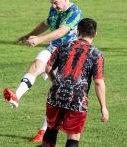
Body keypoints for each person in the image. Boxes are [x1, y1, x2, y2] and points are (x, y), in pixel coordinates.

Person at [3, 0, 83, 142]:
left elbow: (61, 32)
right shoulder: (54, 9)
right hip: (53, 49)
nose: (53, 6)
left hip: (68, 56)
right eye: (52, 3)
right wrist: (29, 34)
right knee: (36, 65)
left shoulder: (75, 12)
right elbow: (46, 24)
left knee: (58, 94)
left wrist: (39, 40)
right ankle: (16, 97)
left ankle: (44, 131)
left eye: (56, 3)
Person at [41, 18, 109, 147]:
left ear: (77, 31)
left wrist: (56, 82)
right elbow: (99, 82)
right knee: (73, 136)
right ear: (95, 34)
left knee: (51, 129)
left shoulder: (63, 46)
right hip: (77, 98)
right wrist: (103, 107)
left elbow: (48, 68)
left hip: (56, 94)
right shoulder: (96, 54)